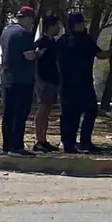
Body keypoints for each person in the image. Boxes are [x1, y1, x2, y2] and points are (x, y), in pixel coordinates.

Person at [57, 12, 112, 154]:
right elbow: (100, 55)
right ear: (78, 24)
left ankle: (68, 144)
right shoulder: (86, 39)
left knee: (69, 114)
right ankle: (85, 141)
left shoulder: (62, 40)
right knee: (90, 110)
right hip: (84, 83)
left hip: (66, 83)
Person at [0, 6, 43, 157]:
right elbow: (29, 56)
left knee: (8, 113)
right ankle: (16, 147)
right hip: (22, 79)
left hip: (7, 78)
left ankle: (6, 146)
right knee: (20, 113)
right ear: (29, 18)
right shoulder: (24, 34)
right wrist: (38, 54)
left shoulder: (6, 32)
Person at [33, 15, 62, 153]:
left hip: (53, 79)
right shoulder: (41, 42)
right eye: (57, 25)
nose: (59, 28)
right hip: (43, 80)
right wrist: (39, 81)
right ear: (51, 26)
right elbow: (36, 62)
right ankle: (38, 140)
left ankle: (44, 140)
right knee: (42, 110)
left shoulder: (54, 43)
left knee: (48, 111)